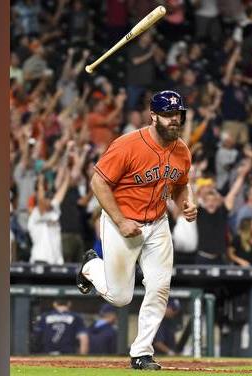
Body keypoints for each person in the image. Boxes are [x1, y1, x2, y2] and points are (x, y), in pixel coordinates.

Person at [76, 91, 197, 370]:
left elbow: (180, 184)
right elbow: (98, 183)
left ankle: (141, 352)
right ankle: (91, 266)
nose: (174, 120)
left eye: (177, 114)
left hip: (157, 224)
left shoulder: (181, 150)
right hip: (122, 224)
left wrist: (187, 203)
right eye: (168, 114)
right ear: (153, 115)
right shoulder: (128, 144)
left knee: (159, 286)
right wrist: (120, 221)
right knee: (120, 297)